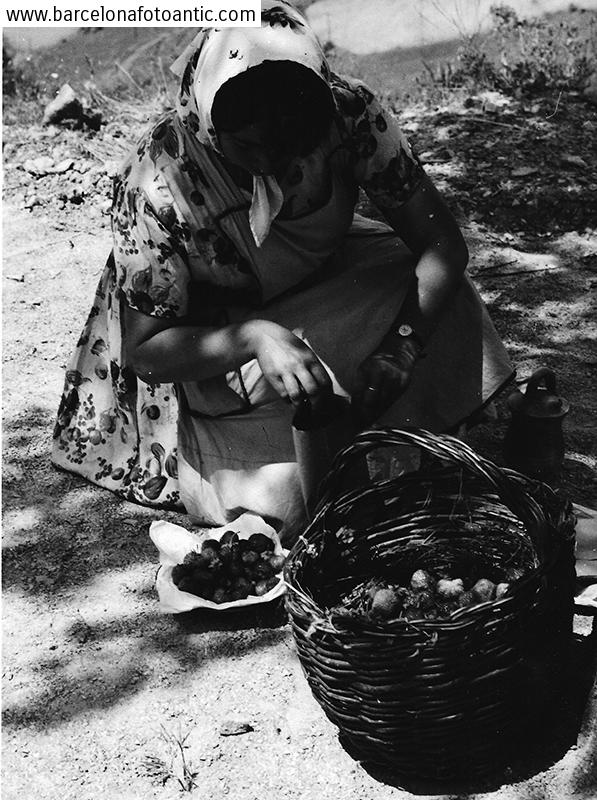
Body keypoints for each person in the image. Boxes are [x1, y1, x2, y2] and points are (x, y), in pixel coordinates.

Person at [52, 0, 513, 542]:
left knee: (442, 294)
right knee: (284, 501)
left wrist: (403, 345)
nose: (274, 162)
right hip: (211, 335)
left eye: (295, 142)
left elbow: (439, 244)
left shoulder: (351, 114)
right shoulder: (162, 179)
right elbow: (148, 351)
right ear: (210, 122)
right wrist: (255, 337)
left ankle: (378, 420)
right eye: (250, 146)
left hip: (319, 283)